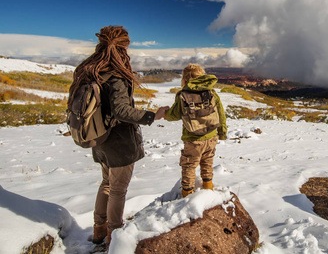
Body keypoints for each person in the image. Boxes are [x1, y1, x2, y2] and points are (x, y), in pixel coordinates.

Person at [68, 26, 168, 245]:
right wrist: (152, 116)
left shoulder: (89, 70)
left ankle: (98, 229)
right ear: (124, 46)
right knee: (118, 190)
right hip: (119, 141)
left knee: (106, 183)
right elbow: (121, 110)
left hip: (99, 138)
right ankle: (114, 237)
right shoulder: (116, 74)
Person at [165, 63, 227, 197]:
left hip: (193, 139)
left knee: (189, 166)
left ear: (185, 79)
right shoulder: (211, 92)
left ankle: (187, 194)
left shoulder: (183, 94)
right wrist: (222, 132)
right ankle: (208, 188)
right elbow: (221, 113)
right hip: (211, 135)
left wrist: (164, 113)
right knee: (207, 162)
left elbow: (174, 115)